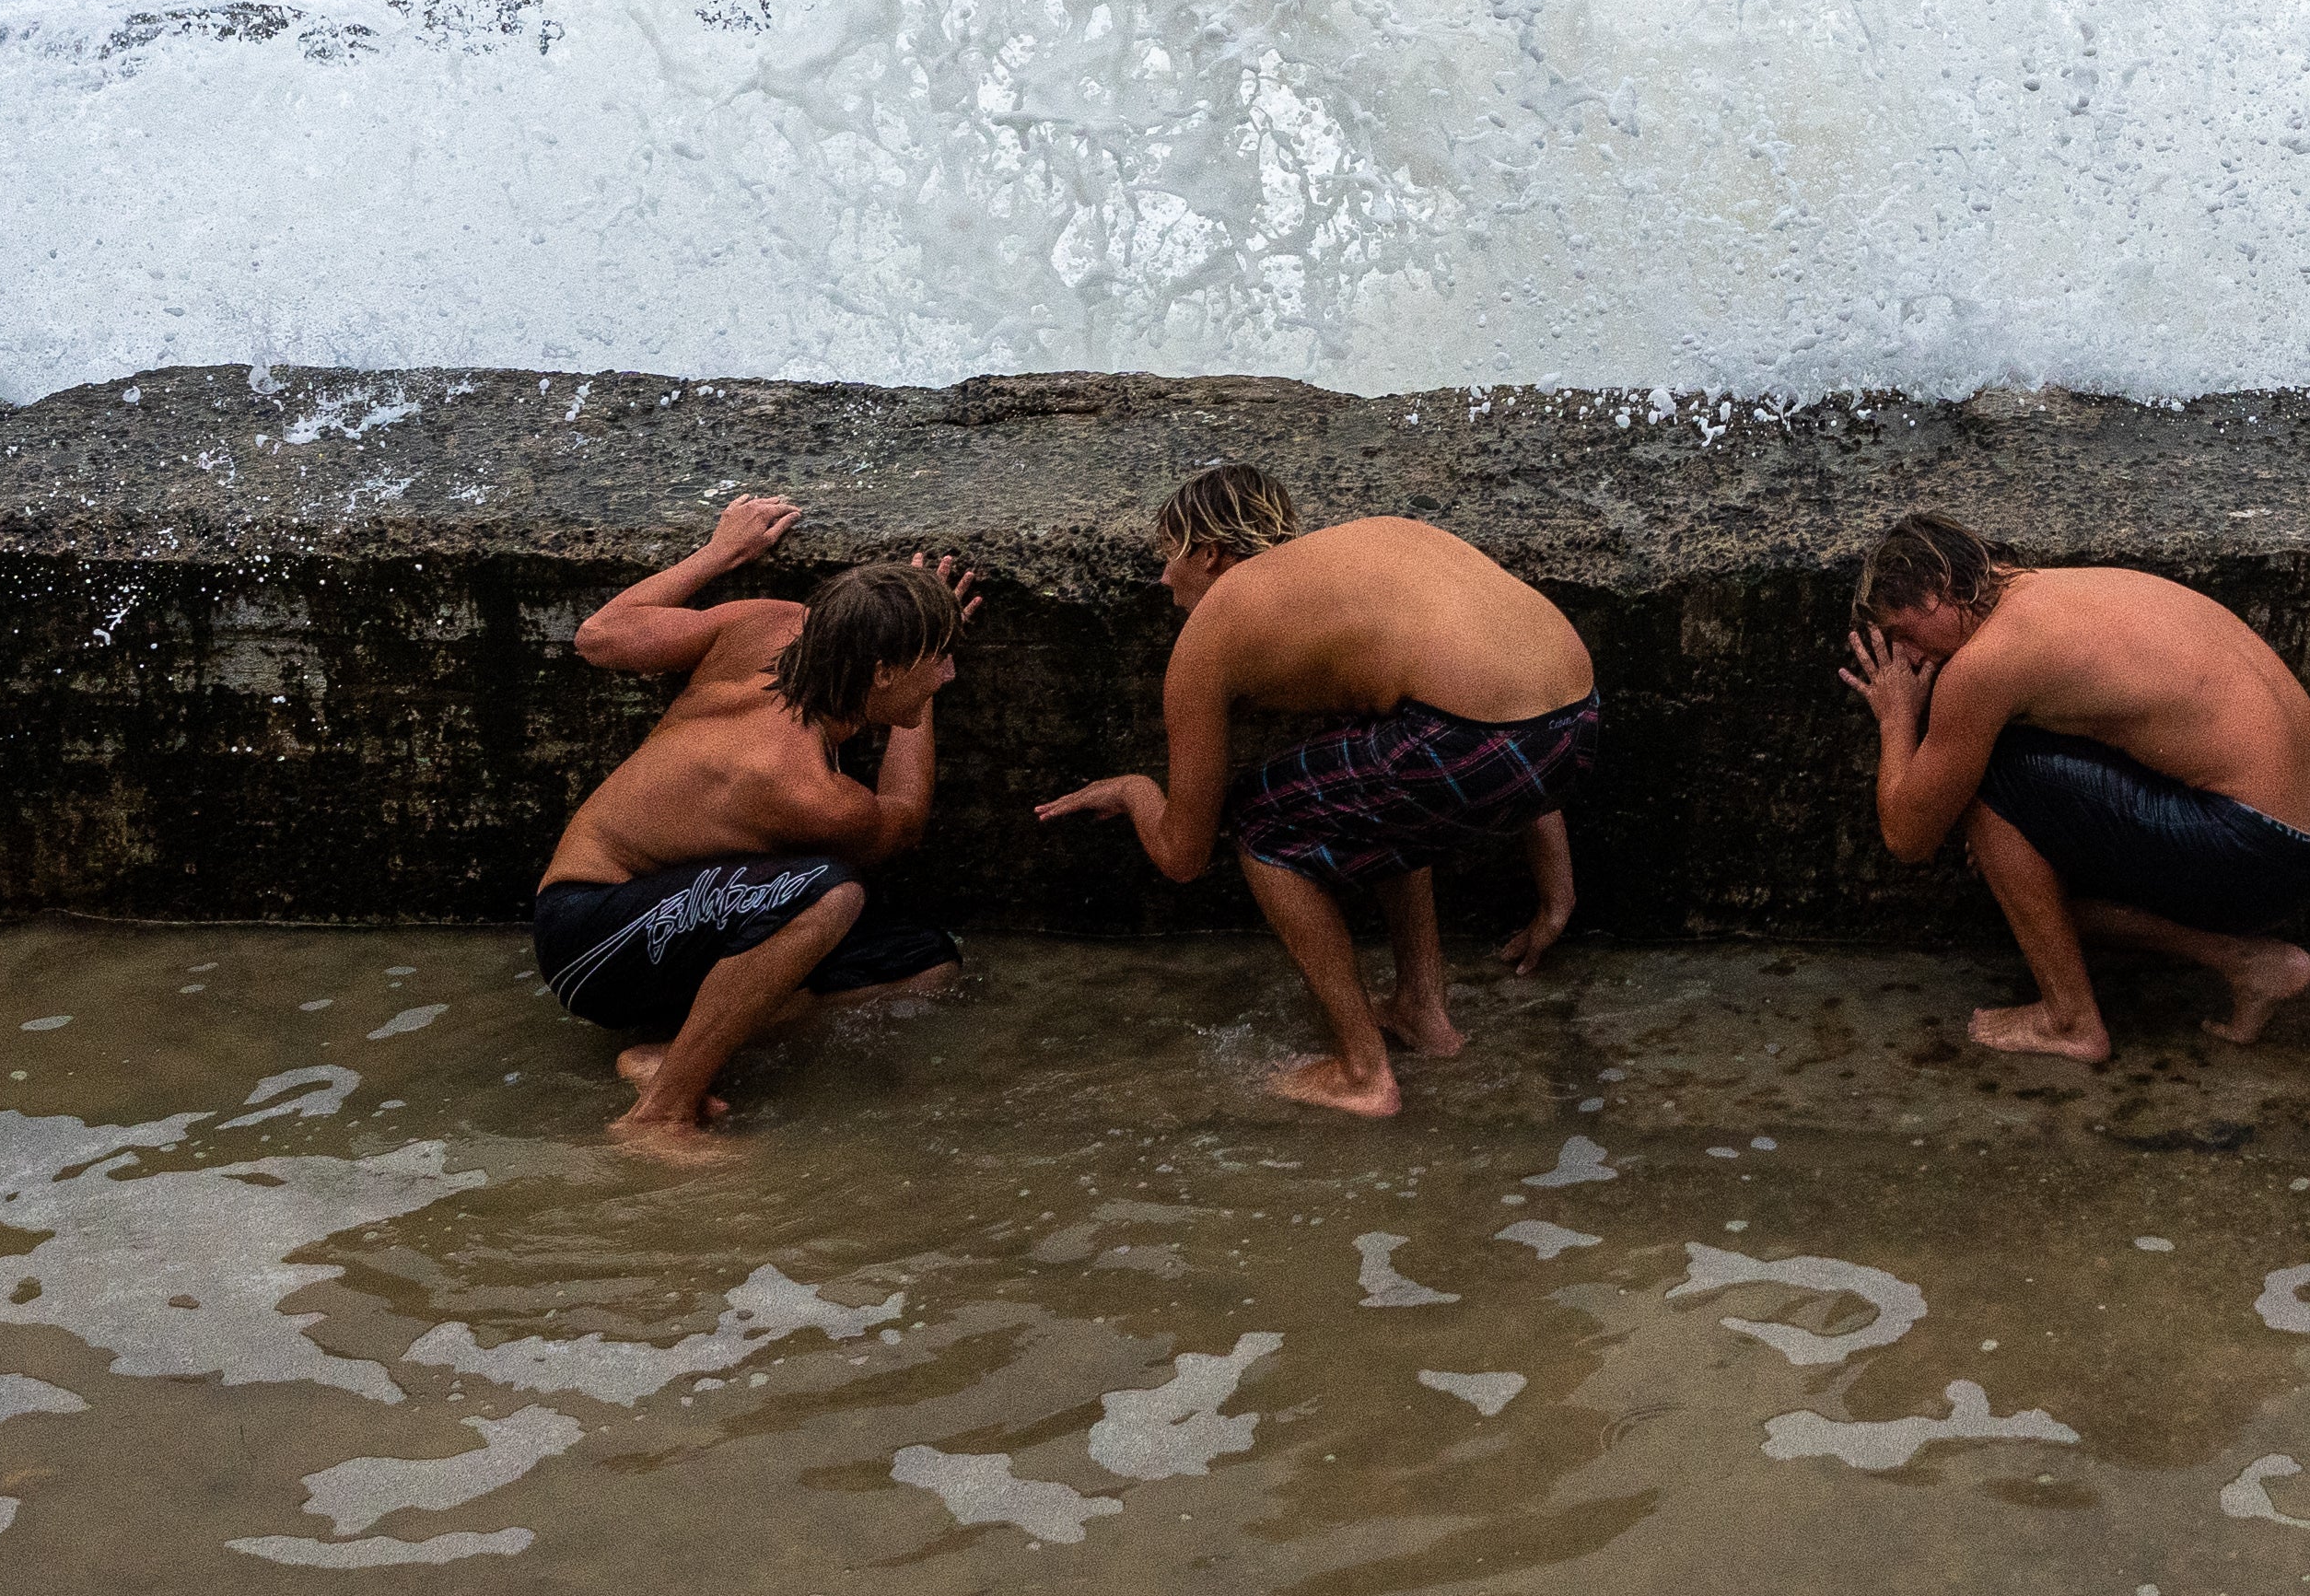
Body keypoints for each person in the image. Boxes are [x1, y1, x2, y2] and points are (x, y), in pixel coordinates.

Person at [1033, 465, 1592, 1119]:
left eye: (1169, 557)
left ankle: (1363, 1073)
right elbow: (1514, 697)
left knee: (1263, 820)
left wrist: (1133, 790)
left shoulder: (1215, 623)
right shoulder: (1377, 547)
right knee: (1371, 779)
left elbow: (1183, 855)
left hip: (1470, 743)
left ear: (1209, 553)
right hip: (1577, 725)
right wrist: (1557, 894)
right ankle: (1423, 1010)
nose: (1163, 579)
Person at [538, 494, 974, 1155]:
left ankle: (668, 1051)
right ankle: (662, 1113)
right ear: (881, 670)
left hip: (686, 913)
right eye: (936, 660)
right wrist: (925, 697)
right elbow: (902, 821)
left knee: (926, 963)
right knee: (832, 891)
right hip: (588, 932)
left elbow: (603, 632)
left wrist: (724, 554)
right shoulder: (797, 784)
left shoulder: (773, 621)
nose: (947, 672)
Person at [1842, 511, 2310, 1061]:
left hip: (2258, 848)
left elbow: (1908, 838)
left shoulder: (1985, 666)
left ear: (1938, 590)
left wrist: (1896, 717)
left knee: (1991, 783)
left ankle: (2071, 1021)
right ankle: (2248, 963)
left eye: (1903, 635)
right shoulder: (2060, 589)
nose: (1908, 659)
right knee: (2034, 875)